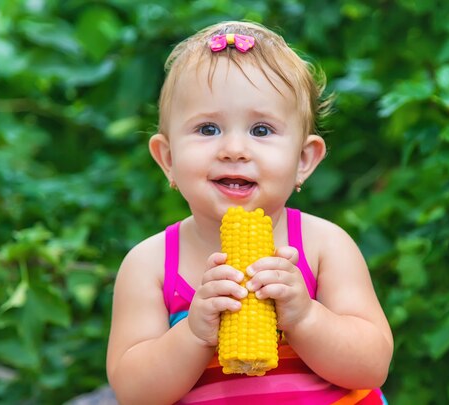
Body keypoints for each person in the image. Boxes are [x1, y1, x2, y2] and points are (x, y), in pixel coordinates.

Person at [106, 20, 393, 404]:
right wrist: (193, 334)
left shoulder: (324, 245)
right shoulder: (151, 265)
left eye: (261, 130)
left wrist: (305, 317)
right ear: (168, 159)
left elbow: (372, 365)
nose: (234, 149)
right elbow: (134, 392)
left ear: (304, 160)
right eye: (208, 129)